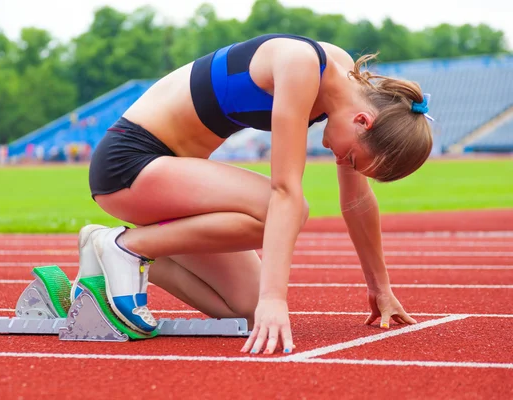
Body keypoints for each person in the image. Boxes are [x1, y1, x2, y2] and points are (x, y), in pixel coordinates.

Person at [73, 33, 433, 356]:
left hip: (174, 185)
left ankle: (109, 245)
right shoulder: (302, 63)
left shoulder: (344, 99)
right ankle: (129, 250)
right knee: (284, 212)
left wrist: (380, 287)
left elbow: (356, 201)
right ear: (363, 121)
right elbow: (285, 191)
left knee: (244, 310)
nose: (342, 162)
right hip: (130, 163)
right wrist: (275, 299)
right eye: (351, 157)